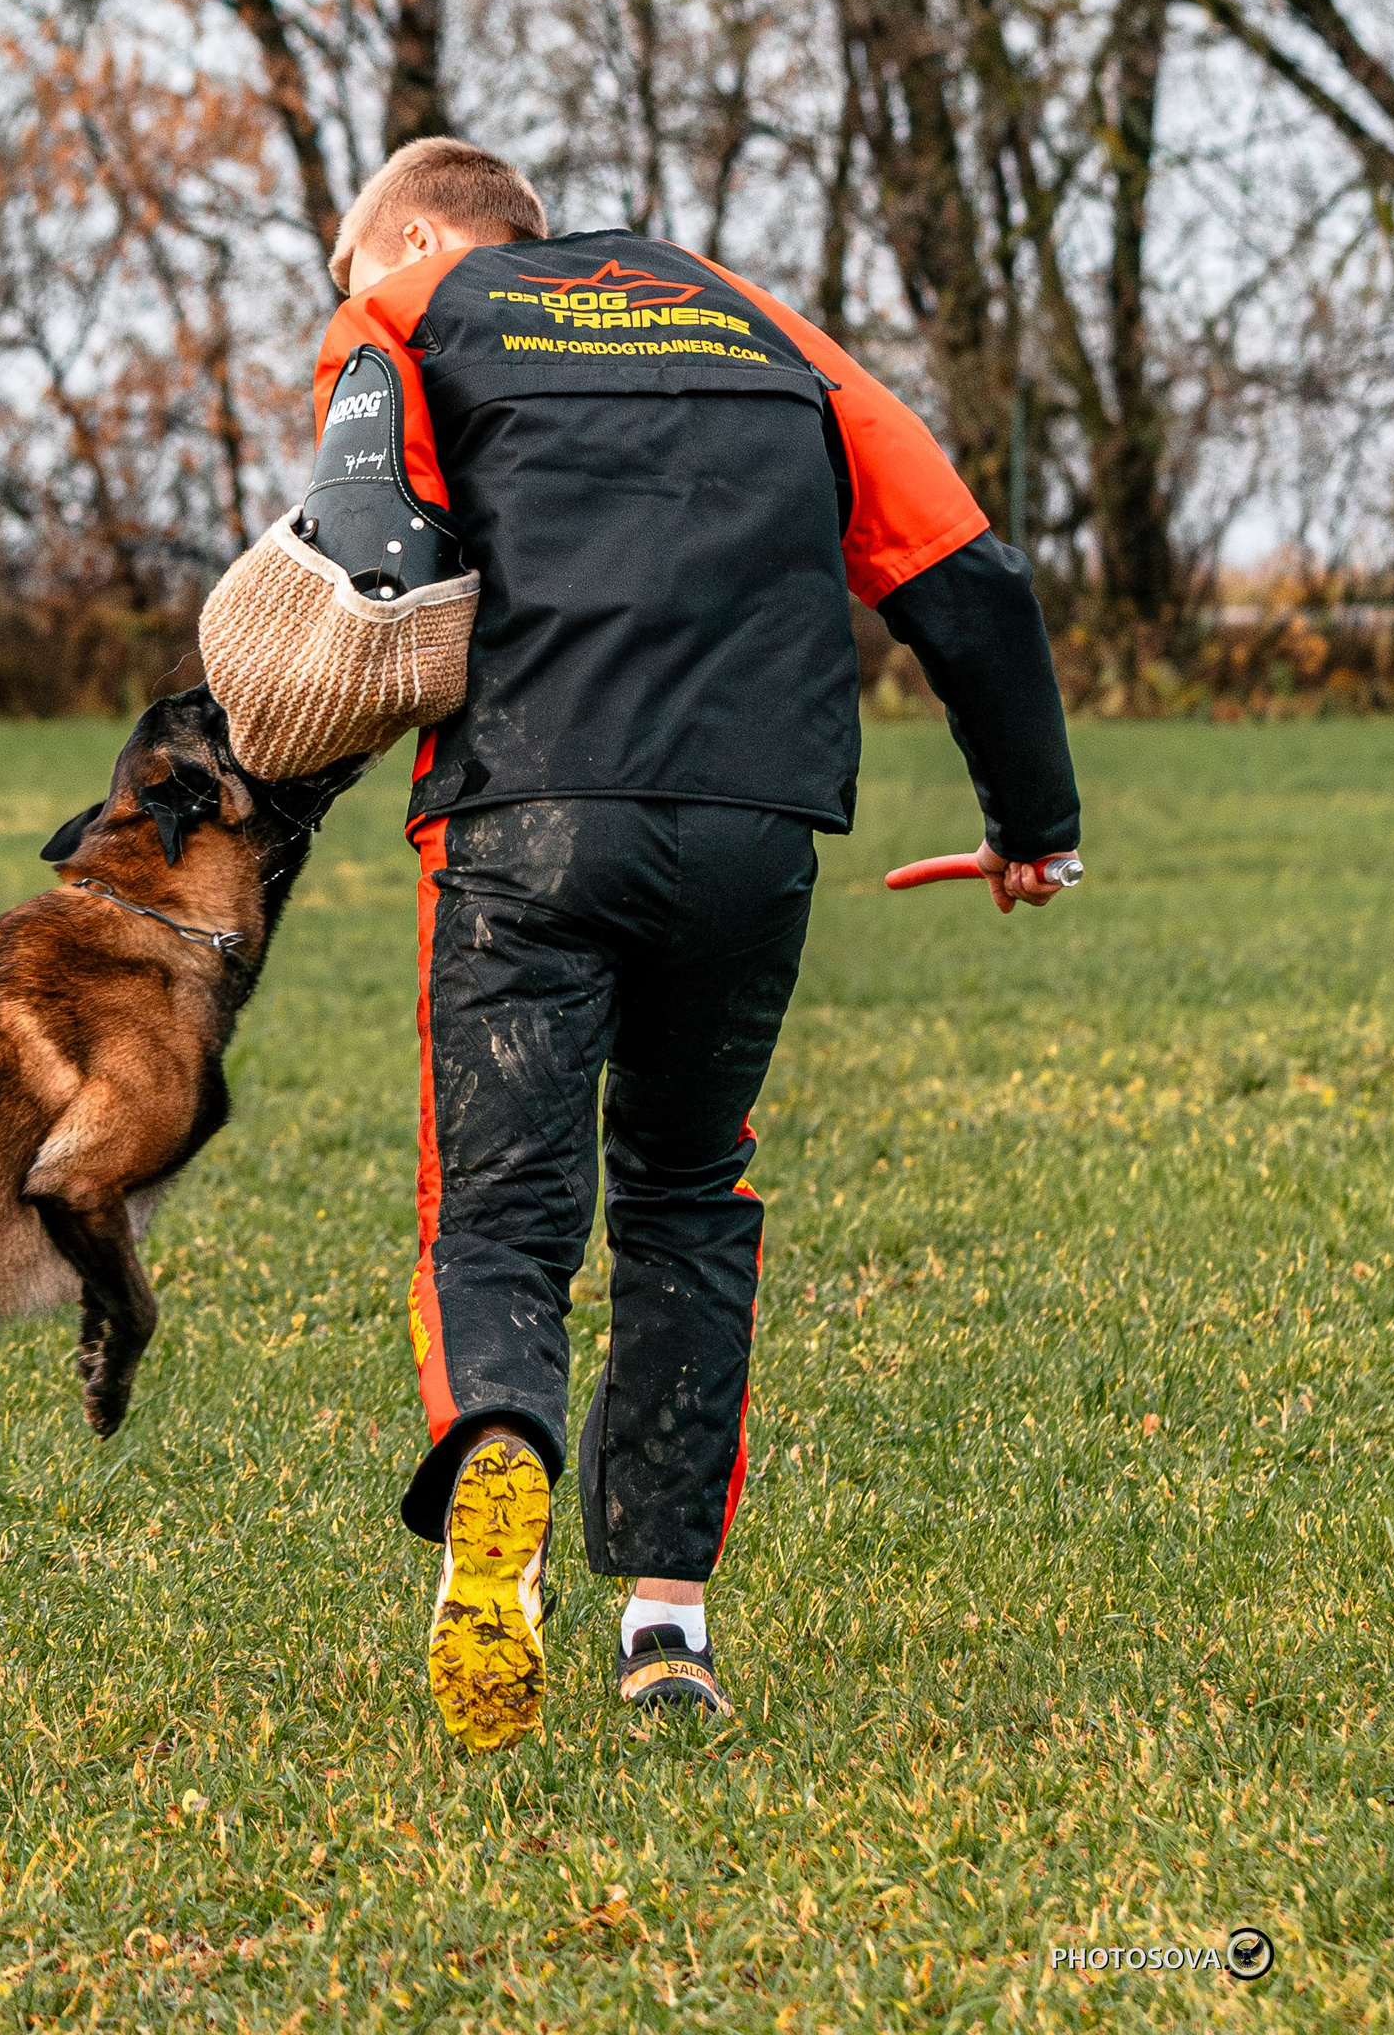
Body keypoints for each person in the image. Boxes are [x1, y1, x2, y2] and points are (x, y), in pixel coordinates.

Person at [308, 139, 1080, 1748]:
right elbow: (971, 581)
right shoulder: (760, 323)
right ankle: (667, 1633)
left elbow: (365, 550)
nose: (343, 302)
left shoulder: (411, 314)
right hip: (754, 818)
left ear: (421, 232)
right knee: (685, 1198)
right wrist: (1031, 824)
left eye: (346, 269)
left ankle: (503, 1451)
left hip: (534, 817)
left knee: (502, 1220)